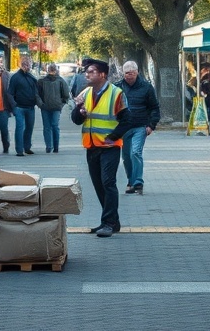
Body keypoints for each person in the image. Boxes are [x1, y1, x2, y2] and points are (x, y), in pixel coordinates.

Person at [71, 57, 130, 237]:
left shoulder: (116, 93)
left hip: (109, 147)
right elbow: (76, 120)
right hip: (92, 146)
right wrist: (79, 110)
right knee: (98, 185)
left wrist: (113, 137)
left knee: (108, 182)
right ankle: (112, 221)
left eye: (91, 72)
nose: (87, 74)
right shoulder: (87, 93)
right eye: (86, 72)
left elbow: (127, 120)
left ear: (102, 75)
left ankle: (108, 222)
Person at [117, 60, 160, 195]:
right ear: (123, 73)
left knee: (136, 152)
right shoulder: (117, 87)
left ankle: (138, 182)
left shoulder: (146, 87)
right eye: (127, 73)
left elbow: (154, 107)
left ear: (137, 73)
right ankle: (131, 181)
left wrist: (151, 125)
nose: (129, 76)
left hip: (140, 126)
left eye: (132, 73)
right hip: (124, 127)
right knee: (126, 156)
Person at [8, 55, 38, 156]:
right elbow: (10, 93)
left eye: (29, 64)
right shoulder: (15, 77)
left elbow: (37, 90)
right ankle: (19, 150)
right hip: (19, 107)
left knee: (29, 127)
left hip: (30, 107)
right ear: (22, 65)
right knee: (20, 128)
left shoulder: (31, 77)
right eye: (26, 64)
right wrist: (14, 106)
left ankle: (27, 147)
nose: (28, 66)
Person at [37, 62, 70, 153]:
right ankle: (49, 146)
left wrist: (61, 104)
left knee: (55, 126)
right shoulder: (42, 81)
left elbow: (66, 95)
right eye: (50, 70)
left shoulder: (60, 81)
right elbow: (37, 94)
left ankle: (56, 146)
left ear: (56, 70)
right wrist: (41, 104)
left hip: (56, 108)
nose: (51, 71)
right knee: (47, 127)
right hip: (45, 107)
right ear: (47, 70)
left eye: (53, 70)